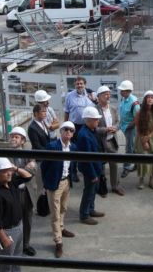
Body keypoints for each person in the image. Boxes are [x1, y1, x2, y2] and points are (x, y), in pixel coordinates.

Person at [0, 156, 33, 272]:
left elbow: (28, 177)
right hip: (6, 231)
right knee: (6, 262)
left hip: (18, 226)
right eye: (5, 171)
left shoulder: (11, 183)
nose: (9, 173)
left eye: (9, 170)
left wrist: (16, 168)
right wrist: (4, 238)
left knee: (17, 256)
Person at [43, 122, 77, 258]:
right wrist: (46, 184)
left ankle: (61, 228)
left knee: (63, 208)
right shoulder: (52, 146)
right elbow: (44, 166)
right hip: (54, 184)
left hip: (66, 182)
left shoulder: (73, 147)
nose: (68, 132)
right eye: (66, 130)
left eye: (71, 130)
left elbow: (72, 165)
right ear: (61, 131)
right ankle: (58, 242)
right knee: (55, 214)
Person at [8, 126, 36, 256]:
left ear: (23, 141)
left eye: (16, 137)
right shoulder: (6, 156)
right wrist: (24, 171)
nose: (13, 139)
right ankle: (14, 245)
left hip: (27, 192)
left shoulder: (28, 154)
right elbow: (8, 175)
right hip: (13, 193)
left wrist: (17, 170)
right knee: (13, 220)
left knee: (27, 219)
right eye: (12, 136)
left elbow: (33, 171)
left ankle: (26, 244)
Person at [75, 106, 106, 225]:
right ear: (88, 120)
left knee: (93, 191)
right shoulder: (84, 136)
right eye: (96, 119)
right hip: (90, 170)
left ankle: (91, 209)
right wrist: (93, 174)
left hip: (95, 167)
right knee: (88, 192)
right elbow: (86, 159)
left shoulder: (91, 131)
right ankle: (84, 215)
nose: (98, 121)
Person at [95, 85, 124, 196]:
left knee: (114, 164)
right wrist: (105, 129)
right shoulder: (95, 110)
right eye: (105, 94)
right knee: (100, 166)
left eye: (109, 94)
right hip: (100, 142)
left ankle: (115, 186)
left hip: (112, 141)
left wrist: (115, 128)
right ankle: (101, 187)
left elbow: (118, 122)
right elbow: (94, 128)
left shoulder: (113, 109)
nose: (108, 96)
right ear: (99, 97)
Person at [64, 77, 93, 181]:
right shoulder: (69, 96)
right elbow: (66, 111)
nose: (79, 85)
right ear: (74, 85)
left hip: (86, 126)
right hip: (73, 126)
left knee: (85, 148)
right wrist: (66, 126)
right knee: (73, 149)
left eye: (81, 83)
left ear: (85, 84)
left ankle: (85, 169)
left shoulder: (90, 95)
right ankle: (73, 172)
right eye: (77, 84)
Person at [134, 90, 153, 190]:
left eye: (152, 97)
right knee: (143, 160)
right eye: (148, 97)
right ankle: (141, 180)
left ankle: (151, 181)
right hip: (142, 138)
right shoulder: (140, 112)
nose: (150, 99)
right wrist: (144, 141)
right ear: (145, 99)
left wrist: (149, 136)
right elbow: (138, 128)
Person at [118, 80, 140, 178]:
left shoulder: (134, 102)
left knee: (129, 148)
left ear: (128, 91)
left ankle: (126, 168)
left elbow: (137, 119)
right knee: (133, 147)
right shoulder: (123, 99)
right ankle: (136, 164)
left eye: (122, 90)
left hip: (131, 129)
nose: (120, 91)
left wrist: (127, 128)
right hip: (125, 127)